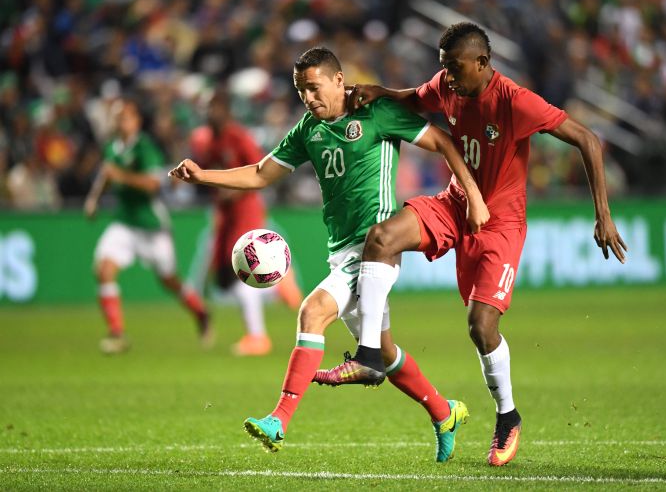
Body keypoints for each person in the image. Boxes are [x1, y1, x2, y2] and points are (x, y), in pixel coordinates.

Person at [316, 23, 628, 467]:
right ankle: (369, 356)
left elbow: (587, 139)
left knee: (481, 326)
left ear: (482, 63)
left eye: (455, 67)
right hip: (454, 203)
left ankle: (508, 416)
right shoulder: (447, 84)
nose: (448, 75)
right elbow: (416, 97)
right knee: (382, 237)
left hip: (500, 224)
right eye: (443, 66)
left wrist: (603, 214)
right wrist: (381, 90)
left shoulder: (516, 101)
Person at [170, 47, 489, 462]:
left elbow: (443, 141)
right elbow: (261, 173)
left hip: (378, 244)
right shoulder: (308, 129)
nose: (308, 97)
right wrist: (202, 175)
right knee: (386, 354)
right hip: (342, 250)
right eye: (301, 90)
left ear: (339, 81)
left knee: (312, 310)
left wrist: (474, 197)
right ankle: (444, 412)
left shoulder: (376, 114)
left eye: (314, 87)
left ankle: (278, 419)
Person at [85, 98, 211, 354]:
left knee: (169, 281)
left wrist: (120, 176)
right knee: (104, 270)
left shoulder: (145, 147)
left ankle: (200, 312)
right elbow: (107, 175)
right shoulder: (112, 146)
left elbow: (153, 184)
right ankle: (117, 333)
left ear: (136, 121)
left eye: (126, 117)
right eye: (118, 117)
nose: (122, 122)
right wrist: (94, 199)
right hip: (124, 222)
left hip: (151, 224)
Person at [189, 89, 303, 356]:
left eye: (213, 107)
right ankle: (278, 284)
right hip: (226, 213)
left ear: (225, 110)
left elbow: (260, 171)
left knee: (240, 266)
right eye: (206, 109)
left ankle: (257, 337)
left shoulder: (237, 136)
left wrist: (234, 191)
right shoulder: (212, 144)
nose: (209, 113)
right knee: (223, 279)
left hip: (245, 209)